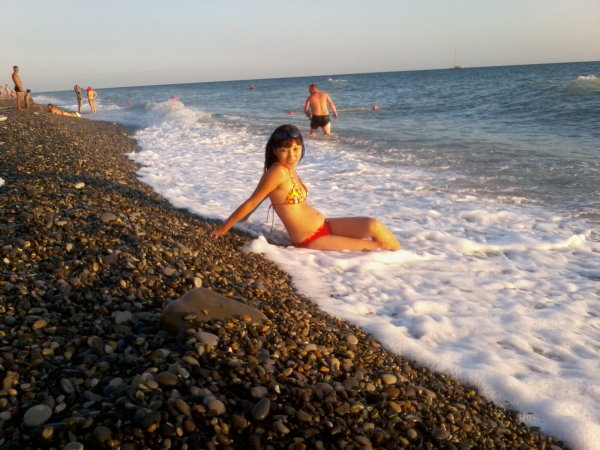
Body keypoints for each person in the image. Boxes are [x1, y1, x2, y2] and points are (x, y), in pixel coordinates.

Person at [210, 125, 401, 251]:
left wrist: (244, 220)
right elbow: (252, 201)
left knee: (373, 225)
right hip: (311, 239)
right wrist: (223, 229)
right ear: (275, 151)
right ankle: (402, 268)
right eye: (284, 150)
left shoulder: (289, 169)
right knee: (377, 247)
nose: (291, 155)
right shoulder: (277, 172)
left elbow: (260, 199)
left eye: (296, 149)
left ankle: (405, 259)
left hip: (325, 225)